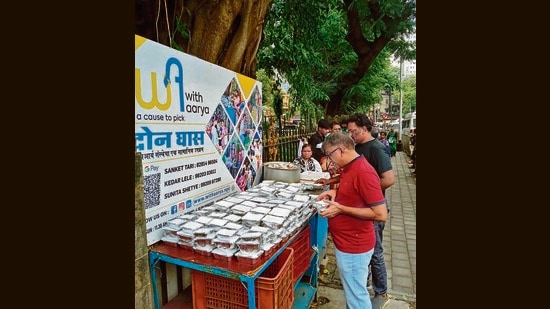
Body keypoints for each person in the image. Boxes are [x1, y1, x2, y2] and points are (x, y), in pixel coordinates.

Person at [316, 114, 396, 309]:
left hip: (355, 245)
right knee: (354, 292)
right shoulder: (350, 167)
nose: (330, 161)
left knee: (357, 297)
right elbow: (351, 192)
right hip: (348, 242)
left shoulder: (364, 171)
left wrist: (340, 208)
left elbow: (380, 214)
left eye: (330, 155)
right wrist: (334, 193)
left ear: (341, 150)